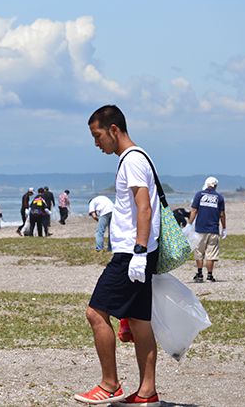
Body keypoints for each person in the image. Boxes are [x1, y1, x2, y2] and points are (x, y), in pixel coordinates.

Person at [74, 105, 161, 406]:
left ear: (113, 130)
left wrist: (137, 250)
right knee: (138, 321)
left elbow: (144, 207)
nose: (96, 143)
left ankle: (109, 384)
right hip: (141, 251)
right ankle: (147, 393)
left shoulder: (133, 160)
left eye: (97, 136)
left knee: (95, 313)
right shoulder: (138, 157)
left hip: (130, 253)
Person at [189, 177, 226, 283]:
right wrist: (224, 228)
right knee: (211, 253)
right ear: (216, 186)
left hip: (200, 229)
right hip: (213, 229)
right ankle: (209, 276)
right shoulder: (219, 197)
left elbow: (194, 210)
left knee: (199, 252)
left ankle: (200, 274)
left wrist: (189, 224)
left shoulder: (199, 195)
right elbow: (222, 214)